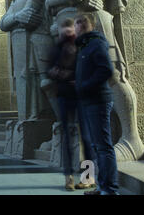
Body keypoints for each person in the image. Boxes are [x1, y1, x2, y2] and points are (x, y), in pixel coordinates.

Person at [48, 18, 96, 191]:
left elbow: (82, 70)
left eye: (70, 31)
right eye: (64, 31)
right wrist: (62, 74)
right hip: (64, 96)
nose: (67, 34)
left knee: (87, 137)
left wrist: (64, 74)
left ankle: (88, 176)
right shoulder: (56, 48)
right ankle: (68, 177)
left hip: (81, 96)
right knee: (66, 137)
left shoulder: (81, 47)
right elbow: (51, 70)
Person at [74, 13, 119, 195]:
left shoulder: (96, 43)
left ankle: (109, 189)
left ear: (91, 25)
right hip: (87, 102)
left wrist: (84, 86)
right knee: (95, 146)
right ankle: (102, 186)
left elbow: (106, 70)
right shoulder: (83, 47)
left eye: (84, 22)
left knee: (103, 147)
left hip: (98, 101)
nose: (80, 25)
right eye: (77, 22)